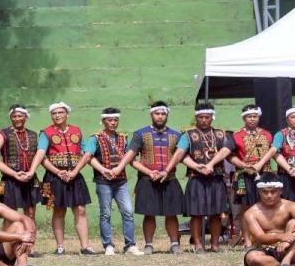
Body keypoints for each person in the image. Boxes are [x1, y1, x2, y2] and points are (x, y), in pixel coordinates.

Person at [118, 101, 185, 254]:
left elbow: (180, 156)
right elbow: (131, 159)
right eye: (157, 113)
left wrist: (197, 166)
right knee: (149, 213)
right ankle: (149, 245)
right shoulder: (140, 134)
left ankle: (174, 244)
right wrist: (149, 172)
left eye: (163, 114)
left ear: (167, 115)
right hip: (147, 179)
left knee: (172, 213)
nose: (160, 117)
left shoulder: (176, 135)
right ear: (151, 114)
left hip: (170, 178)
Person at [170, 102, 235, 253]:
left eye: (207, 117)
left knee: (216, 213)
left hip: (216, 177)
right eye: (200, 117)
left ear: (212, 117)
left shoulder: (221, 134)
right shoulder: (187, 135)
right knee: (197, 214)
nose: (204, 120)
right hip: (196, 178)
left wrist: (211, 164)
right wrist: (195, 166)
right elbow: (181, 154)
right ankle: (198, 244)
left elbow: (227, 149)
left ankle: (215, 244)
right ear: (196, 117)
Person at [33, 102, 96, 255]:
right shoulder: (45, 133)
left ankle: (85, 246)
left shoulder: (77, 130)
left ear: (67, 114)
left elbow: (85, 153)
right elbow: (42, 156)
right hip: (54, 177)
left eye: (61, 112)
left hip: (75, 176)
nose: (57, 116)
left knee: (80, 209)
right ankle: (60, 246)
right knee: (59, 210)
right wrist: (58, 172)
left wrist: (75, 171)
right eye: (54, 113)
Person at [82, 108, 142, 256]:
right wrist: (103, 170)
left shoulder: (123, 138)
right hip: (103, 182)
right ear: (103, 121)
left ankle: (130, 245)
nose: (113, 123)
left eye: (115, 120)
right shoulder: (95, 138)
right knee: (106, 213)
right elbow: (88, 157)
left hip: (121, 181)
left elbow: (129, 158)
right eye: (110, 120)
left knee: (128, 212)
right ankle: (108, 245)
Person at [229, 104, 277, 248]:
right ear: (244, 118)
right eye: (249, 116)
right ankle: (247, 240)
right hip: (245, 175)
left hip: (265, 174)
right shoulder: (236, 135)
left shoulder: (267, 134)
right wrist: (244, 166)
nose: (252, 119)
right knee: (246, 208)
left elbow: (274, 152)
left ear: (259, 117)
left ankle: (263, 239)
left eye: (254, 116)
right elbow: (230, 156)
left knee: (266, 207)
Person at [0, 104, 41, 224]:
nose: (17, 119)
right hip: (10, 178)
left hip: (29, 178)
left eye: (20, 116)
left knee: (30, 214)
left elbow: (40, 156)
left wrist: (31, 173)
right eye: (14, 116)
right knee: (9, 214)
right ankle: (8, 242)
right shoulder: (3, 133)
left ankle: (29, 241)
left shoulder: (33, 134)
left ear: (26, 117)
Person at [241, 174, 295, 266]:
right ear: (259, 192)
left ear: (280, 191)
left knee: (293, 222)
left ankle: (287, 260)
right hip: (267, 250)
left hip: (291, 248)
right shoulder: (251, 213)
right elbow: (260, 237)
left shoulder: (291, 206)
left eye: (273, 192)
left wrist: (288, 240)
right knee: (252, 257)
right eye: (265, 192)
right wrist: (281, 237)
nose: (269, 195)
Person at [272, 106, 295, 201]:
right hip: (286, 175)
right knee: (288, 204)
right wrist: (289, 169)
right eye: (293, 117)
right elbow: (274, 153)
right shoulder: (280, 134)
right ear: (287, 119)